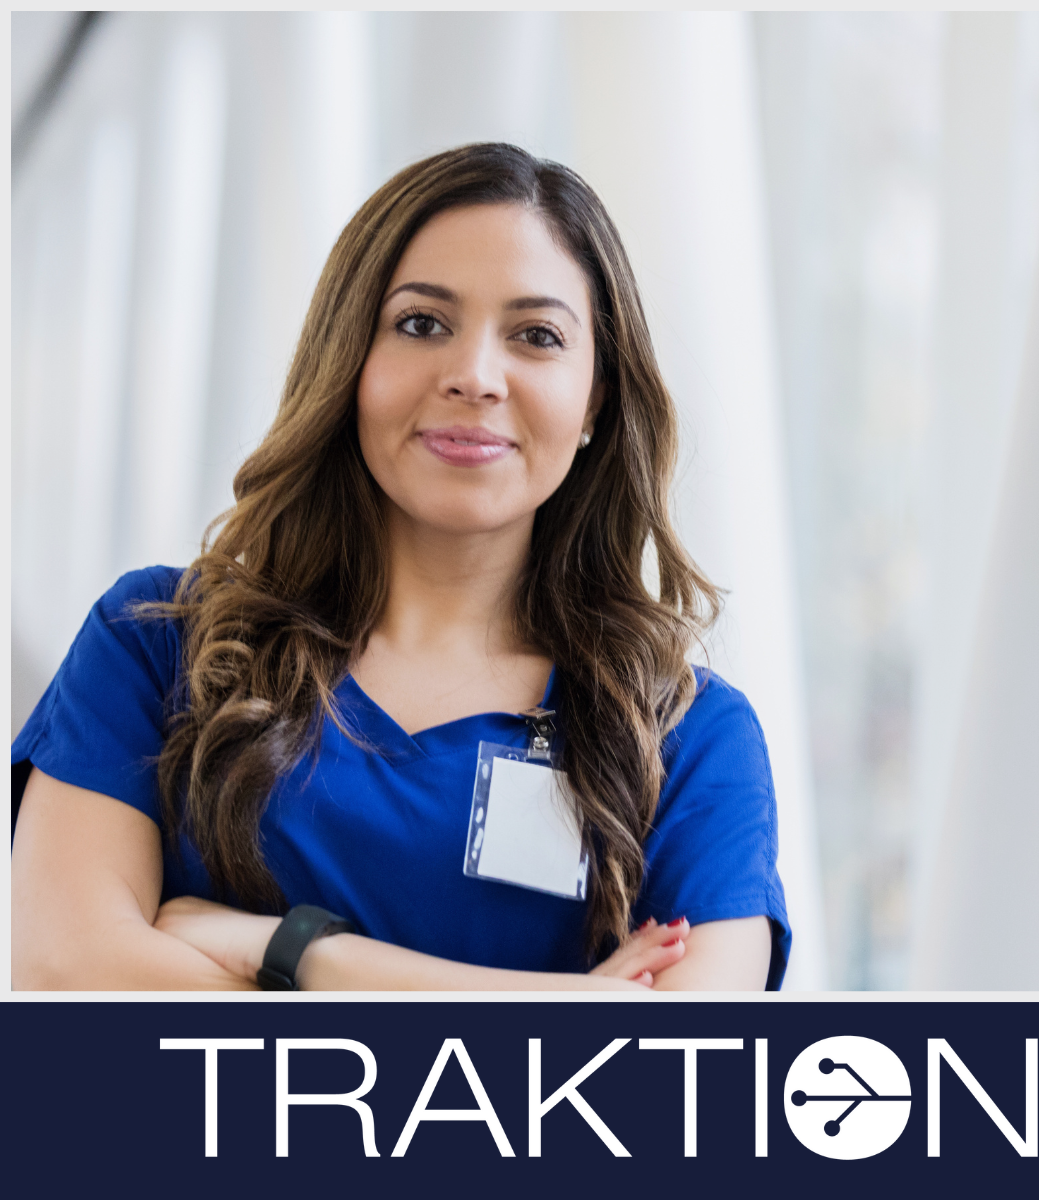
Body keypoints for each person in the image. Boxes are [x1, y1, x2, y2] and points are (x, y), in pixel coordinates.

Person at [12, 143, 790, 991]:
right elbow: (67, 972)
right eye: (422, 324)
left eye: (536, 336)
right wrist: (561, 1007)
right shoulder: (159, 648)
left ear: (596, 395)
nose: (474, 377)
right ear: (349, 359)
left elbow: (681, 1072)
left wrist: (299, 951)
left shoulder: (682, 737)